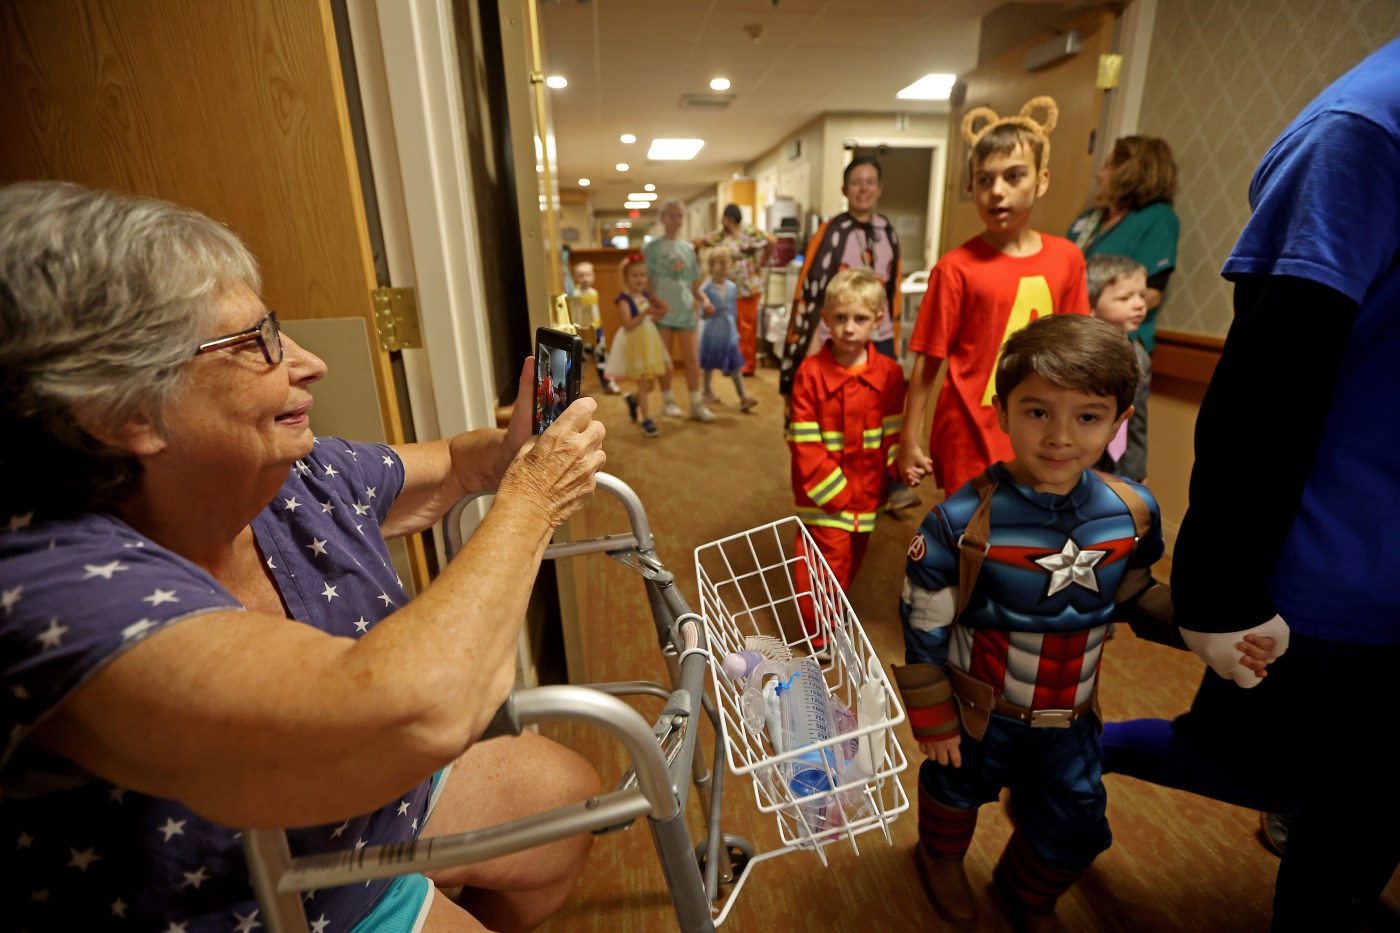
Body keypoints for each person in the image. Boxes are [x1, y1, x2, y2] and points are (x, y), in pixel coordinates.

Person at [0, 181, 607, 932]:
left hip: (356, 812)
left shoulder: (287, 473)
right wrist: (535, 496)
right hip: (253, 899)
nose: (310, 363)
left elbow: (452, 465)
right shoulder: (49, 586)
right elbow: (417, 712)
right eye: (256, 343)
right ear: (123, 412)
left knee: (565, 796)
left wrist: (510, 456)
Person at [1108, 36, 1400, 931]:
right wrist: (1220, 590)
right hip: (1344, 572)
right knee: (1299, 789)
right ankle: (1079, 745)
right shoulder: (1365, 130)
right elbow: (1270, 378)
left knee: (1358, 804)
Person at [893, 314, 1160, 929]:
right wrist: (933, 716)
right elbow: (923, 619)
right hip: (980, 713)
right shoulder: (959, 522)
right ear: (1003, 411)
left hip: (1073, 717)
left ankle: (1024, 892)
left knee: (1079, 822)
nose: (1060, 437)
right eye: (1037, 412)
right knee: (953, 791)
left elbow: (1135, 591)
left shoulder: (1132, 511)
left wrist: (1212, 628)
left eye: (1088, 416)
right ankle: (939, 859)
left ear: (1118, 421)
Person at [898, 97, 1089, 501]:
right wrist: (908, 437)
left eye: (1014, 176)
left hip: (1042, 428)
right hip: (968, 432)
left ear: (1041, 180)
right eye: (984, 180)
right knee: (972, 530)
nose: (997, 192)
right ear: (971, 188)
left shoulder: (1067, 259)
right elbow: (927, 362)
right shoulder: (955, 268)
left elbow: (1079, 353)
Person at [779, 156, 919, 512]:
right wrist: (810, 347)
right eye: (856, 182)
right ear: (845, 189)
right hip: (838, 330)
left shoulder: (887, 230)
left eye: (870, 182)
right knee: (838, 409)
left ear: (880, 188)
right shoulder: (832, 231)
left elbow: (894, 288)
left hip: (880, 333)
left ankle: (888, 483)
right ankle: (834, 481)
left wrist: (894, 336)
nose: (863, 189)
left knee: (882, 411)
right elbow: (812, 288)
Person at [786, 269, 904, 647]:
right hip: (824, 496)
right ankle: (819, 636)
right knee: (824, 563)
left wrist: (900, 468)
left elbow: (893, 431)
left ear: (878, 320)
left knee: (849, 561)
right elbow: (803, 440)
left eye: (860, 319)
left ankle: (831, 613)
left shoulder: (890, 374)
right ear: (826, 319)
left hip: (868, 495)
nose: (849, 328)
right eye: (840, 318)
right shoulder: (810, 373)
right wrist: (834, 492)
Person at [1066, 135, 1180, 484]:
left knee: (1115, 431)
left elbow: (1152, 292)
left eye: (1107, 164)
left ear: (1131, 169)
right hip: (1076, 340)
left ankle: (1120, 494)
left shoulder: (1157, 218)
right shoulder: (1090, 220)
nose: (1099, 174)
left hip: (1120, 344)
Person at [644, 198, 715, 422]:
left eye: (680, 216)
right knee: (665, 360)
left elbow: (693, 284)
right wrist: (654, 302)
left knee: (692, 359)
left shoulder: (688, 249)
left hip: (686, 311)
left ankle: (696, 404)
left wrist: (704, 300)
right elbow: (646, 282)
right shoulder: (651, 248)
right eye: (672, 215)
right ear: (663, 218)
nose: (676, 220)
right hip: (662, 312)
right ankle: (668, 402)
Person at [1085, 255, 1152, 480]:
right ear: (1091, 305)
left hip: (1118, 466)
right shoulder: (1080, 354)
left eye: (1142, 295)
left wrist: (1136, 473)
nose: (1139, 304)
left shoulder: (1140, 356)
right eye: (1125, 298)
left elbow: (1137, 422)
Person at [695, 203, 775, 375]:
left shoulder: (749, 231)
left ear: (728, 218)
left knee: (747, 327)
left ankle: (747, 365)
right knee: (731, 326)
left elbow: (771, 240)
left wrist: (762, 262)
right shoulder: (721, 235)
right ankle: (731, 363)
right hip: (728, 288)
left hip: (748, 287)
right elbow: (700, 242)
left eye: (723, 218)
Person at [605, 252, 672, 439]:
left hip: (649, 342)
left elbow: (651, 319)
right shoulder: (624, 299)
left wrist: (660, 313)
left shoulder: (644, 296)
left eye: (642, 275)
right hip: (634, 344)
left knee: (650, 385)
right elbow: (628, 324)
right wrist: (645, 313)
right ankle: (647, 419)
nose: (639, 279)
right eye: (634, 275)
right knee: (643, 385)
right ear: (626, 277)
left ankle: (632, 399)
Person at [698, 249, 757, 412]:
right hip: (712, 330)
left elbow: (734, 310)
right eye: (720, 263)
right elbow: (702, 314)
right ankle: (707, 390)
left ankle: (743, 397)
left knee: (734, 361)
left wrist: (736, 330)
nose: (724, 266)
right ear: (712, 266)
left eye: (727, 263)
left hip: (729, 329)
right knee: (709, 362)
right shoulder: (705, 288)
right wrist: (707, 311)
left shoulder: (732, 287)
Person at [572, 260, 620, 395]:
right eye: (581, 275)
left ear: (593, 276)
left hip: (597, 330)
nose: (585, 278)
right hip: (583, 332)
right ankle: (575, 388)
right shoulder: (575, 294)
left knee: (602, 357)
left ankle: (608, 384)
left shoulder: (593, 293)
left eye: (588, 275)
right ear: (575, 278)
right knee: (580, 360)